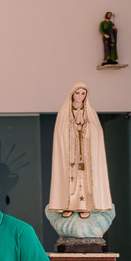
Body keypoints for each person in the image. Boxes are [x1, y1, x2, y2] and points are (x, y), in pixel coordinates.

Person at [47, 82, 112, 218]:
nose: (80, 96)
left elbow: (97, 133)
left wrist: (85, 126)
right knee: (70, 178)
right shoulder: (65, 113)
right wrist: (73, 126)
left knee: (85, 178)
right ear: (72, 94)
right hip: (71, 155)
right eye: (77, 93)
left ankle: (85, 206)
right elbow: (61, 134)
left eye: (83, 93)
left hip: (85, 155)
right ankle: (69, 206)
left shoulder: (90, 112)